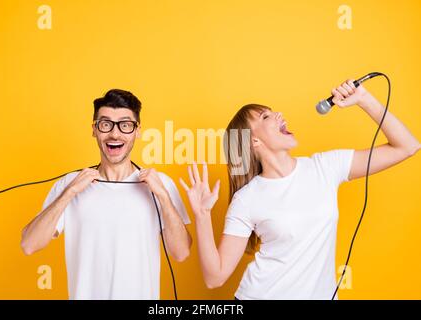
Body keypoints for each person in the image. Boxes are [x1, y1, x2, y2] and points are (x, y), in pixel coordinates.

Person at [179, 79, 420, 299]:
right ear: (254, 141)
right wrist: (202, 216)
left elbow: (407, 146)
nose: (278, 116)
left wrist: (364, 99)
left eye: (273, 113)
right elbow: (215, 277)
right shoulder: (246, 199)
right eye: (265, 117)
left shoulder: (325, 167)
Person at [21, 89, 192, 299]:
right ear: (94, 129)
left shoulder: (160, 184)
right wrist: (70, 192)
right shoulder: (70, 184)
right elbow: (29, 244)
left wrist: (164, 197)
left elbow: (181, 252)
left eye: (125, 125)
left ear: (137, 131)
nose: (115, 134)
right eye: (105, 124)